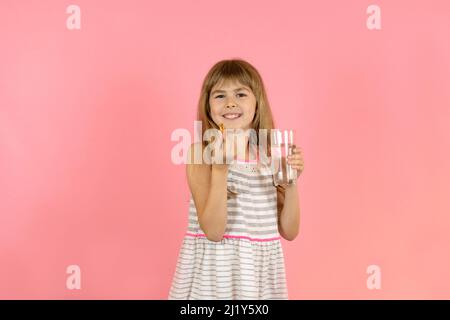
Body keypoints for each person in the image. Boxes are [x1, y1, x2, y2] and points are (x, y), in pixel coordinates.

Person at [168, 58, 304, 299]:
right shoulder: (200, 153)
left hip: (257, 278)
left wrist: (291, 183)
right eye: (220, 96)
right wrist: (220, 171)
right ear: (208, 105)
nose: (230, 103)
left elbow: (289, 231)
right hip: (215, 275)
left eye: (241, 94)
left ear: (257, 103)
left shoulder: (267, 155)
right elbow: (213, 231)